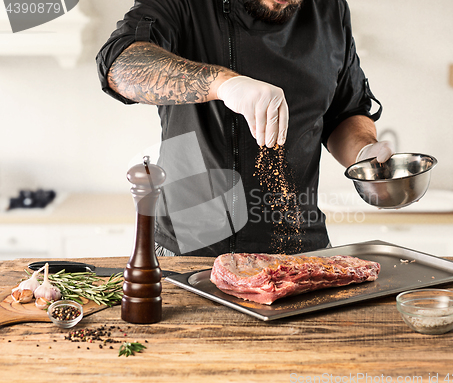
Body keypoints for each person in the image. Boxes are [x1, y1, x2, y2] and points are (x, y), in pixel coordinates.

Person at [96, 0, 394, 257]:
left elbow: (345, 111)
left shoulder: (330, 9)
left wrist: (363, 152)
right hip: (192, 250)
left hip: (303, 248)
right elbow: (120, 66)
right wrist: (223, 84)